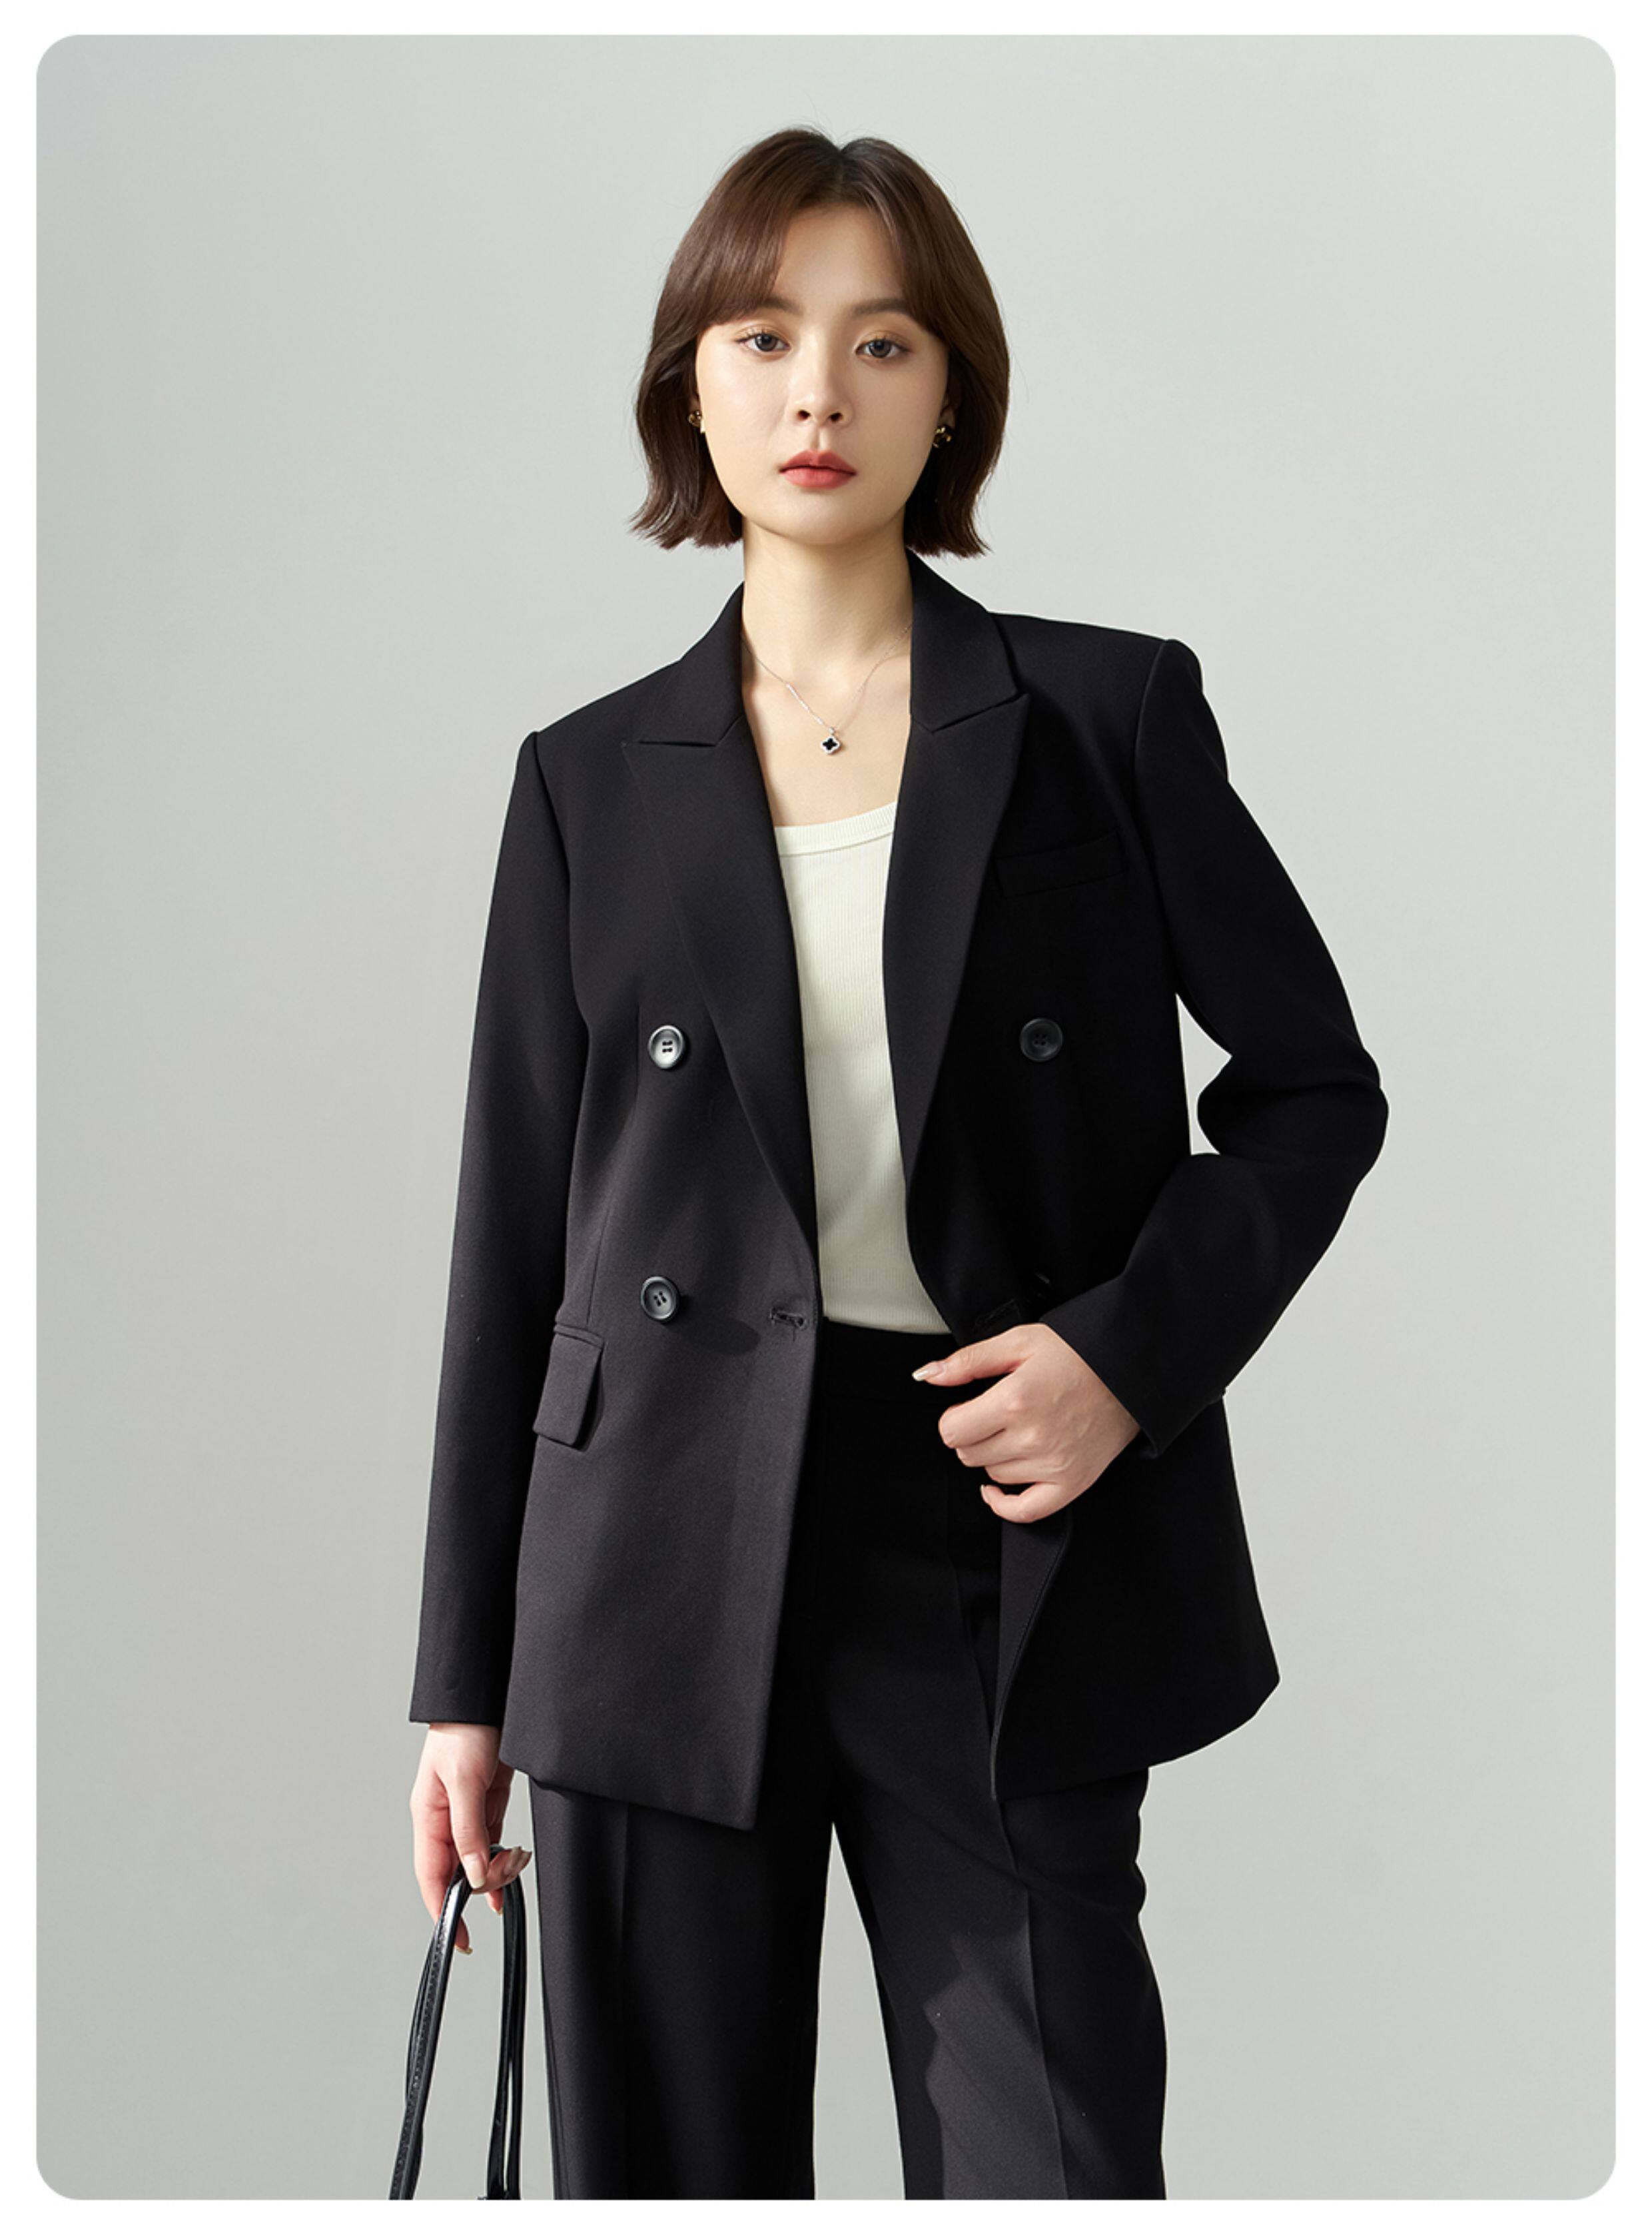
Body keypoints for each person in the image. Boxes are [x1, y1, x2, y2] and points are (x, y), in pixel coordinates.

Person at [405, 127, 1388, 2200]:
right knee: (671, 2178)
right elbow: (516, 1248)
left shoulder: (1103, 717)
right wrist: (463, 1687)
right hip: (653, 1566)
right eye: (763, 339)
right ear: (692, 389)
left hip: (994, 1530)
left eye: (881, 343)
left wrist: (1125, 1355)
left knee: (1051, 2160)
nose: (818, 394)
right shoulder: (586, 782)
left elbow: (1317, 1086)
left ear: (953, 396)